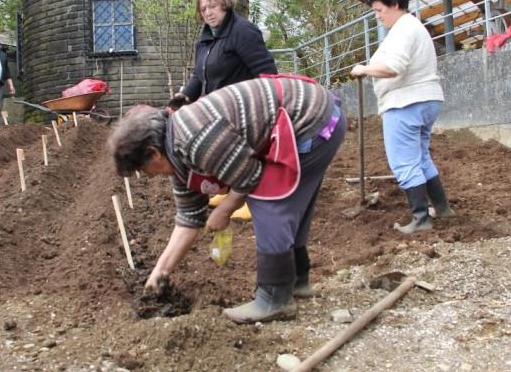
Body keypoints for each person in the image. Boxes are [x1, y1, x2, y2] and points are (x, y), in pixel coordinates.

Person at [109, 75, 346, 324]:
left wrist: (225, 209)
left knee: (269, 200)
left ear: (152, 153)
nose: (149, 176)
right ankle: (297, 280)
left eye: (145, 170)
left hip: (312, 119)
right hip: (313, 116)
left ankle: (275, 298)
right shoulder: (176, 154)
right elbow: (189, 219)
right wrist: (159, 275)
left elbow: (250, 176)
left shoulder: (195, 138)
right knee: (291, 205)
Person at [350, 0, 454, 234]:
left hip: (406, 102)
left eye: (379, 10)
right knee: (420, 157)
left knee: (404, 162)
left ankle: (420, 219)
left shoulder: (403, 29)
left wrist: (363, 69)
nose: (377, 16)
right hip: (425, 99)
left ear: (395, 5)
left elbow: (393, 67)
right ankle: (441, 208)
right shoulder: (412, 27)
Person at [169, 0, 277, 109]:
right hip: (215, 108)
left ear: (224, 5)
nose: (208, 13)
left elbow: (267, 73)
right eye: (203, 9)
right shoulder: (203, 42)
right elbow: (199, 75)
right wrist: (185, 95)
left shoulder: (243, 30)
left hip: (243, 109)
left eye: (213, 6)